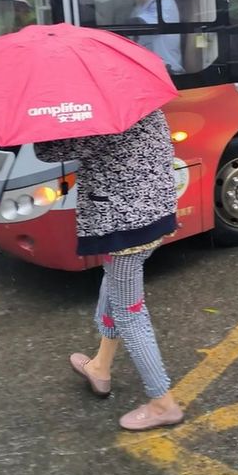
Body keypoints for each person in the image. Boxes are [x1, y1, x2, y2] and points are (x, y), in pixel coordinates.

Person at [35, 109, 184, 430]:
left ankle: (163, 404)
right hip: (155, 214)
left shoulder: (100, 116)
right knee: (115, 287)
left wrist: (35, 118)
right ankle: (100, 367)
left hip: (125, 228)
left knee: (130, 314)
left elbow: (50, 151)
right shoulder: (137, 100)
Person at [129, 0, 184, 74]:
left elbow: (140, 24)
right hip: (145, 70)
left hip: (168, 72)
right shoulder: (138, 8)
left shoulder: (166, 4)